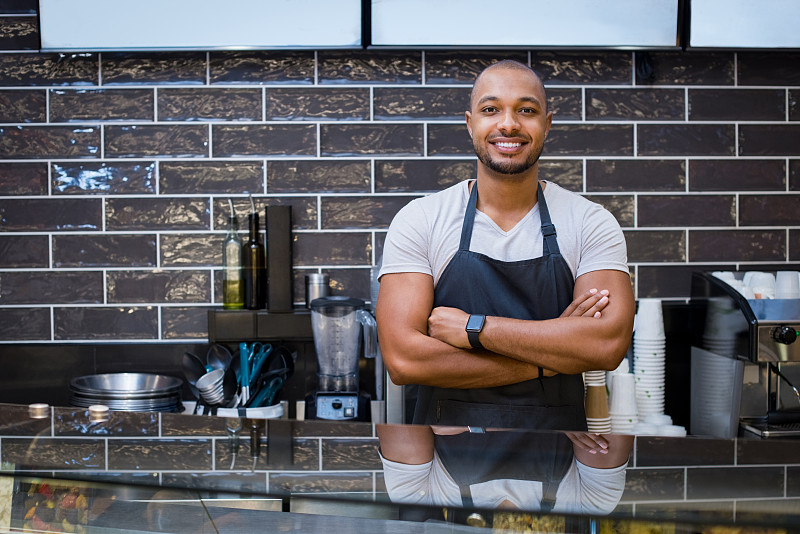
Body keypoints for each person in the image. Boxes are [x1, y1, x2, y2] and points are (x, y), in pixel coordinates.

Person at [376, 60, 635, 431]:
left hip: (558, 472)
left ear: (546, 124)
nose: (509, 124)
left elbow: (606, 346)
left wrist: (474, 328)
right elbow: (404, 361)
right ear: (471, 124)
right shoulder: (422, 220)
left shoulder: (590, 222)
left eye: (526, 110)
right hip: (448, 472)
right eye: (491, 109)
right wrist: (549, 360)